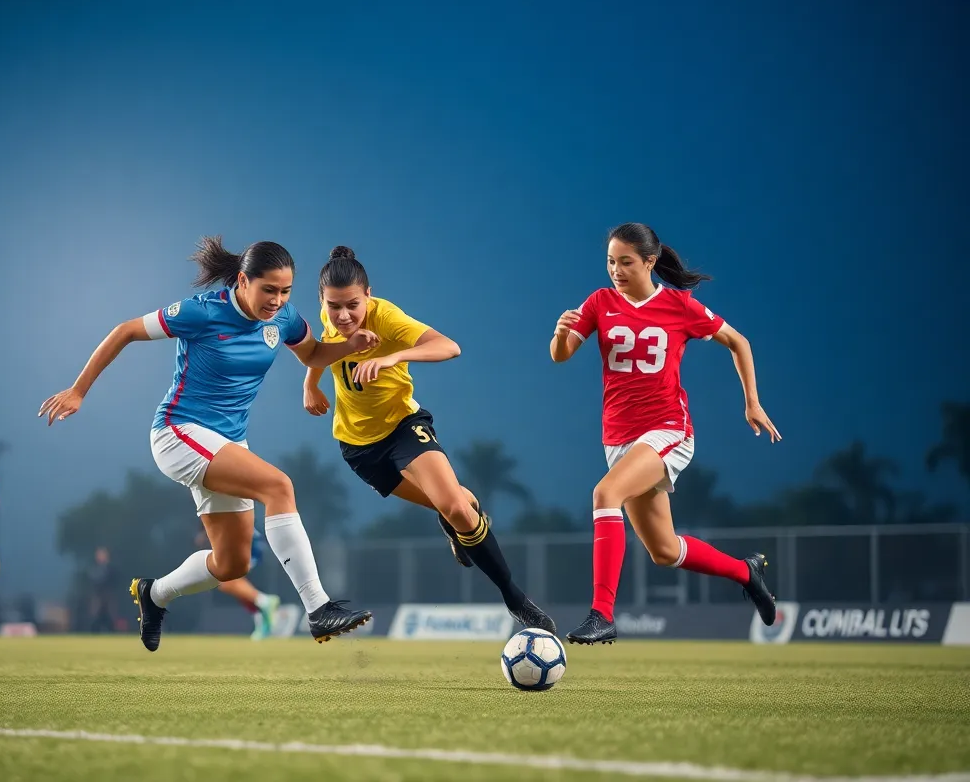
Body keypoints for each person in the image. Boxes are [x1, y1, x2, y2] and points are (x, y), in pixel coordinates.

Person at [39, 237, 379, 652]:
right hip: (178, 432)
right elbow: (125, 330)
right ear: (242, 281)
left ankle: (155, 594)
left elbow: (311, 355)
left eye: (285, 291)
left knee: (231, 563)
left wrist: (348, 346)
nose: (276, 300)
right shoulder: (202, 311)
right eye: (267, 290)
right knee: (279, 486)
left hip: (226, 442)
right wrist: (78, 391)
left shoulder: (284, 319)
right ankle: (318, 608)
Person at [303, 246, 556, 633]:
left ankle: (516, 599)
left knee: (457, 507)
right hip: (358, 449)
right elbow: (320, 350)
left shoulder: (386, 317)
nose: (343, 316)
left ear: (368, 294)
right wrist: (310, 386)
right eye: (334, 306)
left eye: (353, 305)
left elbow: (449, 346)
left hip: (404, 427)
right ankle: (452, 518)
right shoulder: (330, 316)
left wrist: (392, 357)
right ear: (322, 300)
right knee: (461, 505)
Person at [549, 222, 780, 644]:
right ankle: (747, 573)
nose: (615, 270)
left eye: (625, 262)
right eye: (610, 262)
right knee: (665, 551)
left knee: (605, 495)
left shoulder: (679, 306)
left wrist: (752, 401)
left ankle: (601, 615)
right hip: (617, 439)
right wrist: (561, 333)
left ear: (650, 262)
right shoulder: (600, 302)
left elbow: (739, 342)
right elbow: (561, 356)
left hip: (666, 429)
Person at [195, 526, 280, 640]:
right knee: (235, 585)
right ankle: (261, 616)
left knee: (225, 580)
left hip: (248, 544)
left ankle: (265, 602)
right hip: (243, 543)